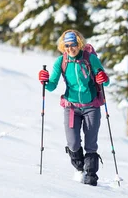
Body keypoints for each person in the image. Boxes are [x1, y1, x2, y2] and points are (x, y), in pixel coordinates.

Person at [38, 29, 110, 186]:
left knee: (91, 144)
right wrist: (44, 80)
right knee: (73, 142)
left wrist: (103, 78)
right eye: (67, 45)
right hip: (71, 107)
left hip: (91, 106)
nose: (70, 48)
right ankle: (79, 169)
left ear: (80, 44)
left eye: (74, 44)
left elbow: (105, 82)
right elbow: (51, 86)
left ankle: (91, 177)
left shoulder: (90, 59)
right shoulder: (61, 62)